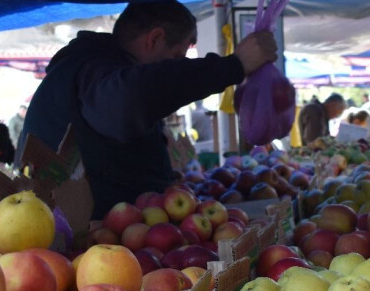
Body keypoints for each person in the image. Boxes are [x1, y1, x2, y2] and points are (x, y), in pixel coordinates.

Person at [20, 1, 277, 219]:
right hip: (85, 246)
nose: (178, 67)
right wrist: (234, 65)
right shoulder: (91, 70)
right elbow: (127, 102)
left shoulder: (94, 70)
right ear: (154, 39)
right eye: (177, 57)